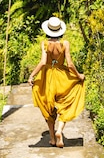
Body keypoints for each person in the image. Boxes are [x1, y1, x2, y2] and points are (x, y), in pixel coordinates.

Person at [28, 16, 85, 148]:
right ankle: (59, 130)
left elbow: (43, 62)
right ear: (60, 31)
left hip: (47, 77)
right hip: (61, 77)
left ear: (48, 30)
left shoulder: (45, 44)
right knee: (64, 104)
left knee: (48, 107)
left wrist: (32, 75)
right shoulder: (65, 44)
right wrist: (78, 75)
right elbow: (70, 64)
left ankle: (52, 138)